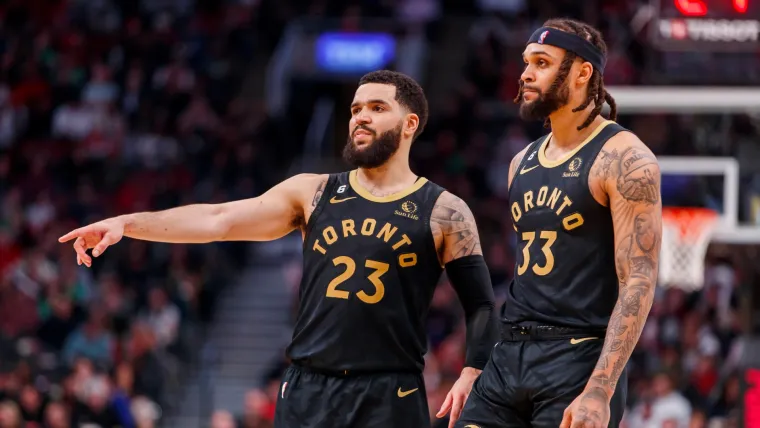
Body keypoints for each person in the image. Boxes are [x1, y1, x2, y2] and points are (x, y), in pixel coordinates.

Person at [59, 70, 498, 428]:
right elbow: (219, 220)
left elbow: (480, 303)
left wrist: (472, 369)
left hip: (389, 391)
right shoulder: (313, 192)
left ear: (410, 124)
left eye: (377, 108)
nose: (360, 117)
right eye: (355, 108)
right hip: (308, 387)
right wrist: (128, 224)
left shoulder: (443, 209)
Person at [454, 18, 662, 428]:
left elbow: (638, 280)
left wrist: (600, 389)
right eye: (526, 61)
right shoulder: (521, 162)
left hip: (577, 359)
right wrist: (477, 365)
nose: (526, 74)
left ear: (583, 72)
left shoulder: (624, 158)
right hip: (509, 354)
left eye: (543, 63)